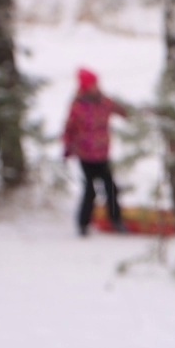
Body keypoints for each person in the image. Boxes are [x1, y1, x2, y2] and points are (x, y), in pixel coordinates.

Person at [63, 67, 128, 236]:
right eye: (92, 84)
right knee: (90, 190)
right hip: (85, 156)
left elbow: (123, 111)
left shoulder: (104, 102)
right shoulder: (77, 106)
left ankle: (116, 220)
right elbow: (69, 128)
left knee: (111, 188)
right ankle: (83, 224)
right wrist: (67, 148)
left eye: (96, 83)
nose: (96, 86)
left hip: (102, 154)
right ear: (85, 86)